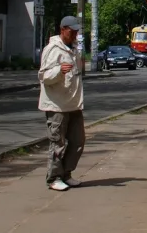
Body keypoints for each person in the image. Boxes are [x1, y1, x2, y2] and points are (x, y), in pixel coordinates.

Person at [38, 16, 85, 192]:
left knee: (78, 141)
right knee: (57, 143)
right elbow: (43, 76)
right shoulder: (52, 49)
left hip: (73, 104)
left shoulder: (74, 49)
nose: (75, 34)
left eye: (76, 31)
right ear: (62, 29)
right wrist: (59, 71)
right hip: (56, 105)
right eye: (71, 31)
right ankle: (54, 178)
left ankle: (66, 174)